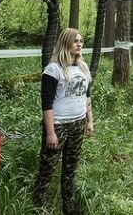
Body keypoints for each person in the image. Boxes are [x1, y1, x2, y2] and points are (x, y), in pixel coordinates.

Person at [33, 28, 94, 215]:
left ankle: (69, 206)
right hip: (58, 125)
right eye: (75, 41)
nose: (79, 44)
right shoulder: (53, 69)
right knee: (48, 167)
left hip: (78, 123)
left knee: (71, 167)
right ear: (66, 43)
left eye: (81, 41)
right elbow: (47, 104)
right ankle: (38, 205)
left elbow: (87, 96)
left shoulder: (83, 67)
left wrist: (90, 121)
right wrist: (50, 132)